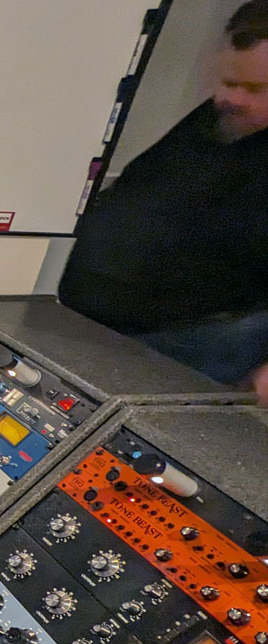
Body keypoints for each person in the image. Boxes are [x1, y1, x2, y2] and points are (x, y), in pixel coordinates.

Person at [59, 0, 268, 403]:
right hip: (100, 327)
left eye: (255, 88)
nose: (230, 97)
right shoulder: (223, 118)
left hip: (186, 343)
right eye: (227, 81)